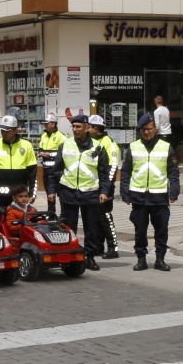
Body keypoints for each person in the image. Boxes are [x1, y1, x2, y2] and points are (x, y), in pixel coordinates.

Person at [121, 113, 180, 271]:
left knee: (161, 230)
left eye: (149, 129)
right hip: (139, 197)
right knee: (140, 231)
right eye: (143, 130)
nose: (146, 132)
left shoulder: (166, 147)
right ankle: (141, 259)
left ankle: (160, 259)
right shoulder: (133, 147)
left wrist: (174, 191)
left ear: (156, 129)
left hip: (159, 196)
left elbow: (173, 171)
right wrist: (124, 193)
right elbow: (125, 172)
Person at [55, 113, 112, 270]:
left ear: (87, 128)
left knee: (91, 228)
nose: (75, 129)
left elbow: (104, 173)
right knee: (68, 227)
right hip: (68, 192)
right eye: (73, 126)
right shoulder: (65, 145)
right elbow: (56, 170)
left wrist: (104, 191)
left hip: (90, 193)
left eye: (78, 126)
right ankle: (69, 257)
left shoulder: (98, 147)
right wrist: (52, 191)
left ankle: (90, 257)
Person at [0, 115, 37, 220]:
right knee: (1, 224)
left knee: (21, 224)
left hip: (20, 195)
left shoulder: (26, 145)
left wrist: (32, 194)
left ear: (15, 130)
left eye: (7, 130)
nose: (4, 133)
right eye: (2, 130)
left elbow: (33, 173)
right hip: (0, 196)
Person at [88, 114, 122, 258]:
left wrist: (106, 189)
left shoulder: (109, 144)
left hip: (105, 187)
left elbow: (113, 168)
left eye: (88, 127)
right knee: (96, 218)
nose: (86, 129)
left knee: (106, 218)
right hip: (95, 186)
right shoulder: (94, 141)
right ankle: (98, 246)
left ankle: (113, 247)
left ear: (95, 129)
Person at [36, 113, 65, 218]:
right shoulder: (43, 135)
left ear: (53, 124)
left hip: (57, 170)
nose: (44, 125)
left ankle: (63, 215)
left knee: (61, 194)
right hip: (46, 169)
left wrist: (50, 154)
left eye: (46, 123)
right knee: (50, 194)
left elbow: (63, 152)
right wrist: (41, 153)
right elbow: (40, 148)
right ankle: (51, 214)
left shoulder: (60, 136)